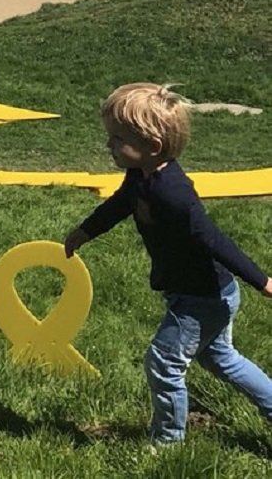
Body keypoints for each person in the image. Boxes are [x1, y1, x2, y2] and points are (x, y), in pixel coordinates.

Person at [63, 82, 272, 447]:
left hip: (201, 297)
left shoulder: (174, 194)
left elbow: (213, 239)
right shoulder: (140, 176)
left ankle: (167, 443)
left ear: (151, 146)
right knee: (222, 359)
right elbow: (120, 204)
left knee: (163, 362)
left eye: (116, 138)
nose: (107, 145)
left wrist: (263, 281)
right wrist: (85, 231)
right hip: (202, 292)